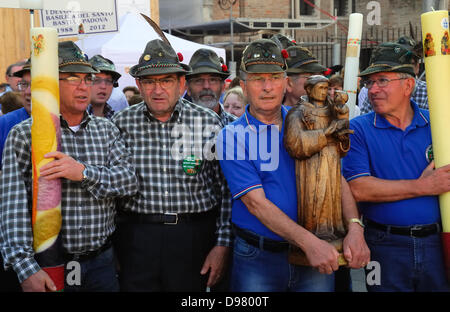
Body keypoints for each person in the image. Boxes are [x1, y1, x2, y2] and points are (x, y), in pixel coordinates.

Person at [217, 39, 369, 292]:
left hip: (315, 254)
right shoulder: (232, 136)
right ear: (243, 86)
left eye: (274, 77)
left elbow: (335, 177)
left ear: (285, 82)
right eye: (257, 79)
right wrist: (311, 244)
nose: (267, 87)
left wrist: (354, 225)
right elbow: (256, 204)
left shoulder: (309, 122)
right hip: (260, 257)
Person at [0, 41, 138, 292]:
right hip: (49, 263)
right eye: (73, 78)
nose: (84, 86)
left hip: (101, 260)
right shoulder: (25, 134)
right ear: (49, 83)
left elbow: (129, 181)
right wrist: (25, 268)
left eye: (88, 78)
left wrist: (84, 172)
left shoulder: (105, 128)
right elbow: (12, 208)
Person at [112, 39, 232, 292]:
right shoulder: (120, 124)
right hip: (136, 238)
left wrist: (221, 245)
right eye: (149, 81)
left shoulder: (207, 121)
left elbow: (225, 190)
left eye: (166, 80)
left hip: (194, 238)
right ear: (138, 85)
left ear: (180, 84)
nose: (158, 90)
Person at [342, 42, 450, 292]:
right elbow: (359, 189)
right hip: (383, 245)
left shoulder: (437, 125)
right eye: (369, 82)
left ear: (408, 85)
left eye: (382, 80)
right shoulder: (358, 129)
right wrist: (423, 186)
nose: (373, 90)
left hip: (437, 243)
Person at [359, 36, 428, 115]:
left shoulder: (427, 93)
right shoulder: (374, 92)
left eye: (410, 64)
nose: (374, 89)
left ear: (417, 67)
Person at [186, 48, 236, 125]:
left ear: (223, 87)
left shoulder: (237, 127)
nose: (206, 86)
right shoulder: (172, 127)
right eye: (198, 80)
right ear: (188, 88)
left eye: (213, 80)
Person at [0, 61, 32, 169]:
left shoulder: (74, 122)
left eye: (37, 84)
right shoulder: (5, 123)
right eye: (24, 84)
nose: (28, 91)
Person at [87, 55, 122, 119]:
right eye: (96, 80)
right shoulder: (73, 118)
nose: (103, 86)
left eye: (108, 81)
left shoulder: (117, 119)